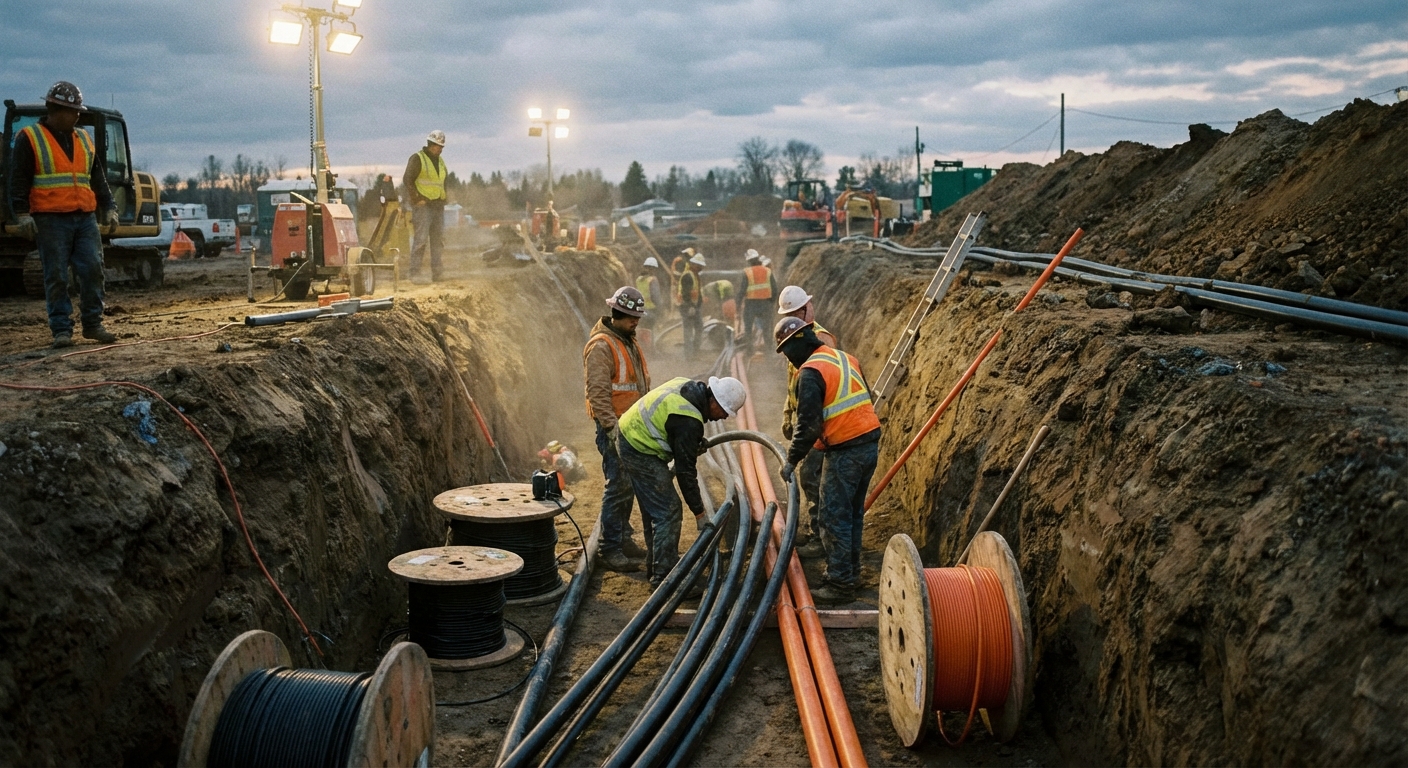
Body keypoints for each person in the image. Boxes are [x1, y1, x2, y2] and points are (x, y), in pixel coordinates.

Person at [775, 317, 881, 605]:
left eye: (785, 350)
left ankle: (840, 582)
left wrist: (791, 460)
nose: (787, 358)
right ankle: (851, 572)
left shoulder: (810, 372)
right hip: (869, 443)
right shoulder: (845, 358)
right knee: (852, 514)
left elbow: (807, 426)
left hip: (845, 451)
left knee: (833, 517)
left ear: (797, 342)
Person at [8, 81, 119, 348]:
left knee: (92, 268)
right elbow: (17, 182)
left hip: (84, 217)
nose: (77, 115)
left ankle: (93, 324)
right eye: (72, 110)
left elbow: (97, 178)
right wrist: (22, 214)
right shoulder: (30, 138)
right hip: (50, 218)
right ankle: (61, 329)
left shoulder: (83, 139)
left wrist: (110, 207)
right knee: (56, 275)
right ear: (55, 109)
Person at [617, 375, 746, 587]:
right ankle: (666, 578)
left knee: (655, 510)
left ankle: (656, 565)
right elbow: (686, 473)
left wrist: (689, 442)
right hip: (638, 448)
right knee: (668, 510)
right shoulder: (688, 420)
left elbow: (673, 427)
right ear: (714, 401)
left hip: (630, 433)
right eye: (724, 412)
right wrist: (700, 513)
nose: (722, 418)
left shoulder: (688, 387)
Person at [583, 286, 653, 572]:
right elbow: (598, 393)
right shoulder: (602, 346)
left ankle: (623, 538)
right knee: (617, 487)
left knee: (628, 487)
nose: (636, 322)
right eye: (632, 317)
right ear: (617, 315)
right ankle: (609, 547)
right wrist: (611, 429)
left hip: (631, 427)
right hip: (615, 429)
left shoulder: (628, 339)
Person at [776, 285, 839, 557]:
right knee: (811, 477)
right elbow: (794, 381)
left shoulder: (820, 338)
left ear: (808, 307)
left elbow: (821, 382)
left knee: (812, 477)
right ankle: (821, 532)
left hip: (822, 422)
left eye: (796, 312)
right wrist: (788, 412)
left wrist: (807, 423)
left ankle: (821, 535)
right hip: (806, 416)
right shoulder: (795, 335)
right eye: (788, 313)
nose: (794, 317)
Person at [402, 130, 448, 282]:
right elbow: (408, 179)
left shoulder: (440, 161)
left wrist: (444, 198)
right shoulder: (418, 158)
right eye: (437, 146)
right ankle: (414, 273)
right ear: (430, 144)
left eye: (442, 146)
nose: (440, 149)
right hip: (424, 206)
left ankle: (438, 273)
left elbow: (442, 182)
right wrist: (416, 199)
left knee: (437, 241)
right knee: (421, 240)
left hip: (437, 206)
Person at [741, 249, 778, 354]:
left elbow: (742, 290)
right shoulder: (767, 271)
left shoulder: (747, 272)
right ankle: (768, 353)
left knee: (748, 329)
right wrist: (770, 302)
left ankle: (749, 351)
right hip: (765, 304)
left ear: (749, 261)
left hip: (750, 304)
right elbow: (774, 289)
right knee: (767, 330)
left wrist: (738, 304)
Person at [676, 252, 705, 358]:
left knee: (699, 328)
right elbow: (686, 293)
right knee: (688, 331)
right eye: (700, 266)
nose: (701, 268)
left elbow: (696, 292)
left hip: (694, 306)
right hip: (687, 307)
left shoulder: (695, 275)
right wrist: (690, 306)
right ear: (694, 265)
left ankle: (695, 352)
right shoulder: (688, 276)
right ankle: (689, 355)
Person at [636, 257, 664, 349]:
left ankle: (642, 350)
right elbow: (656, 297)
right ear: (653, 269)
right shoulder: (653, 280)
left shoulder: (639, 280)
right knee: (651, 331)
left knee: (641, 330)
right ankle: (652, 350)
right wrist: (660, 310)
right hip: (651, 309)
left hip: (640, 310)